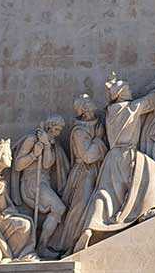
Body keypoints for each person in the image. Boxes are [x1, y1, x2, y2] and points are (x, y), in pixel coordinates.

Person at [72, 74, 155, 253]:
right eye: (127, 89)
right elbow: (153, 99)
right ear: (122, 94)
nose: (131, 91)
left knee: (104, 194)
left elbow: (147, 91)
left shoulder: (110, 111)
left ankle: (89, 228)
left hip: (111, 158)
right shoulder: (132, 108)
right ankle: (145, 210)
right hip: (128, 155)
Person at [55, 94, 107, 255]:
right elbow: (88, 156)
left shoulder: (97, 123)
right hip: (84, 172)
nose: (92, 103)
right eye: (88, 102)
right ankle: (69, 244)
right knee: (80, 206)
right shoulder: (79, 131)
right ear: (84, 109)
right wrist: (98, 139)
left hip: (97, 170)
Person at [11, 115, 70, 258]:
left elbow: (47, 164)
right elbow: (18, 165)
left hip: (43, 182)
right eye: (55, 129)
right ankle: (42, 246)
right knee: (59, 208)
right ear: (48, 127)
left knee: (59, 209)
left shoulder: (51, 144)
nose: (57, 133)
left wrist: (47, 145)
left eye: (59, 130)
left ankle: (43, 245)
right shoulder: (31, 140)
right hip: (32, 183)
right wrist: (33, 154)